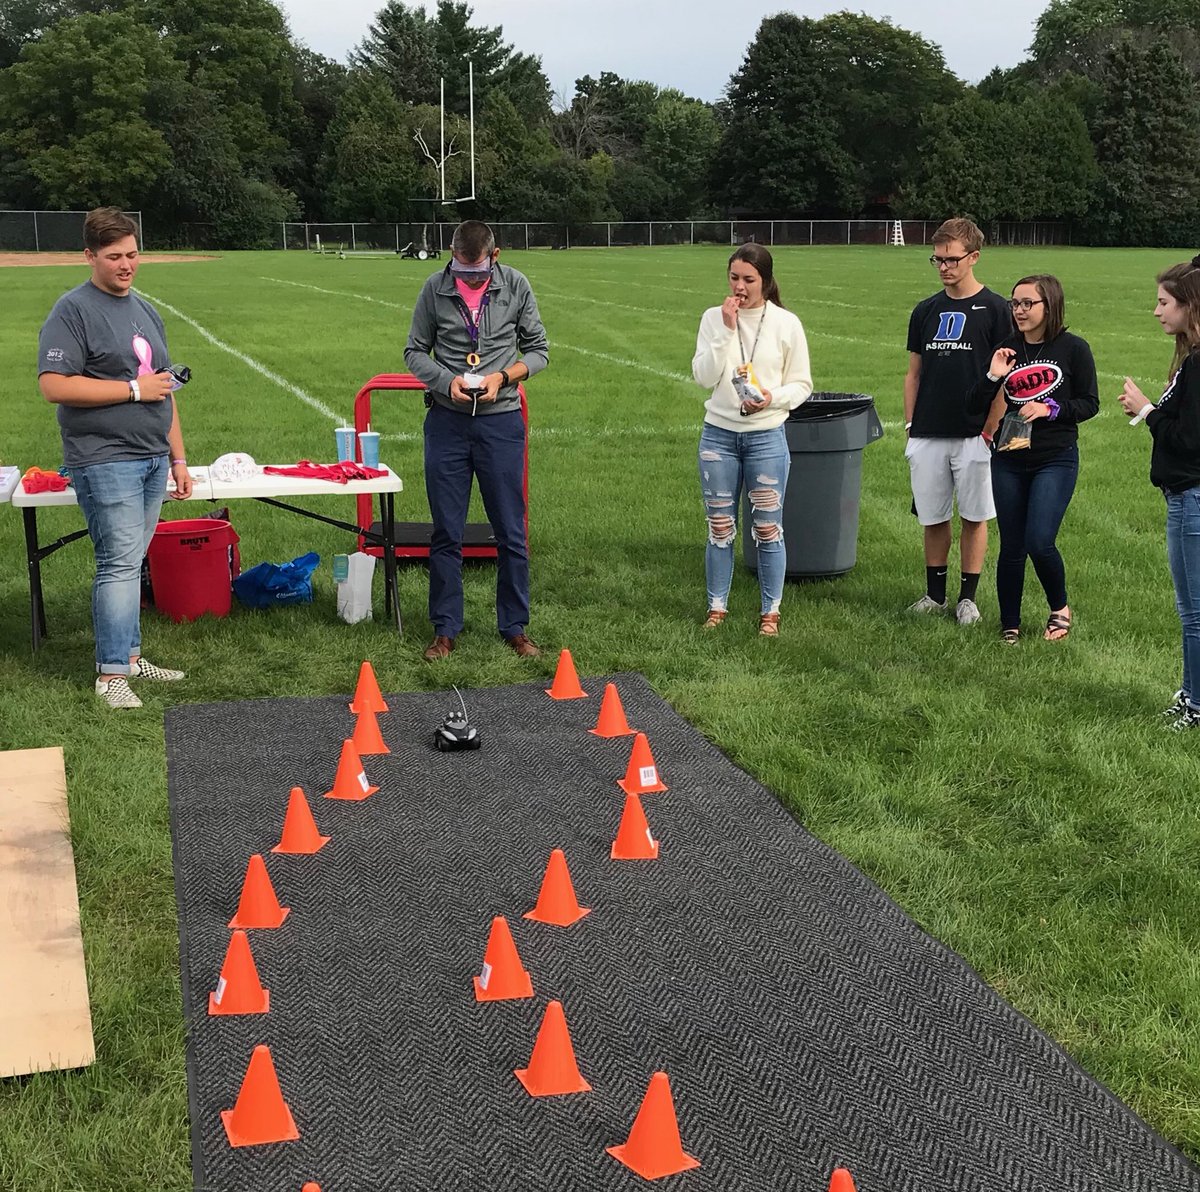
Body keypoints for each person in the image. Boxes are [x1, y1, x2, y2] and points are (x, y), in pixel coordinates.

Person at [37, 207, 193, 710]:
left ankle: (128, 656)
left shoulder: (145, 310)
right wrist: (131, 389)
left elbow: (165, 389)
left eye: (132, 254)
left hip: (151, 457)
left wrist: (179, 459)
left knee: (131, 561)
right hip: (104, 459)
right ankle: (110, 675)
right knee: (118, 565)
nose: (126, 265)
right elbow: (53, 385)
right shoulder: (72, 311)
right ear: (89, 256)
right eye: (114, 257)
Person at [404, 220, 549, 660]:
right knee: (446, 530)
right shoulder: (434, 287)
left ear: (495, 256)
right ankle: (445, 630)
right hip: (447, 424)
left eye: (477, 270)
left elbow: (539, 351)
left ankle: (516, 627)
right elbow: (413, 351)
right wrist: (445, 381)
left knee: (510, 531)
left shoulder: (517, 286)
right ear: (451, 255)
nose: (467, 277)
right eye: (461, 269)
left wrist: (502, 377)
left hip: (500, 423)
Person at [968, 275, 1098, 643]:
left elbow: (1090, 403)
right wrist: (994, 374)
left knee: (1039, 539)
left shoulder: (1073, 348)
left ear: (1050, 305)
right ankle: (1010, 623)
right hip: (1009, 456)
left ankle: (1060, 608)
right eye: (1015, 303)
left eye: (1028, 303)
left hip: (1055, 457)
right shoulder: (1006, 349)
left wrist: (1050, 409)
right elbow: (973, 405)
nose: (1019, 311)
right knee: (1011, 544)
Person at [691, 243, 812, 634]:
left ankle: (770, 613)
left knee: (767, 528)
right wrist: (725, 331)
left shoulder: (785, 323)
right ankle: (716, 607)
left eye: (749, 280)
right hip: (719, 436)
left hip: (765, 437)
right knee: (720, 527)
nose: (740, 287)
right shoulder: (713, 318)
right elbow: (704, 376)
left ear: (765, 281)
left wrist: (771, 398)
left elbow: (802, 384)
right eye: (734, 278)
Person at [904, 217, 1011, 625]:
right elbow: (913, 372)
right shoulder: (926, 310)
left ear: (974, 257)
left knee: (973, 515)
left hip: (974, 434)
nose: (945, 266)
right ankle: (935, 595)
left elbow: (1003, 378)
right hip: (929, 430)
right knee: (932, 517)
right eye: (937, 259)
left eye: (952, 259)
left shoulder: (997, 309)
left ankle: (968, 598)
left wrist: (990, 430)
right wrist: (911, 424)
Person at [1117, 256, 1200, 730]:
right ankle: (1191, 694)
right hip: (1185, 496)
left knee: (1193, 612)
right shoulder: (1192, 360)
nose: (1156, 311)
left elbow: (1189, 439)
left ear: (1190, 307)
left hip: (1191, 498)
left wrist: (1147, 410)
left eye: (1164, 302)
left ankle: (1195, 705)